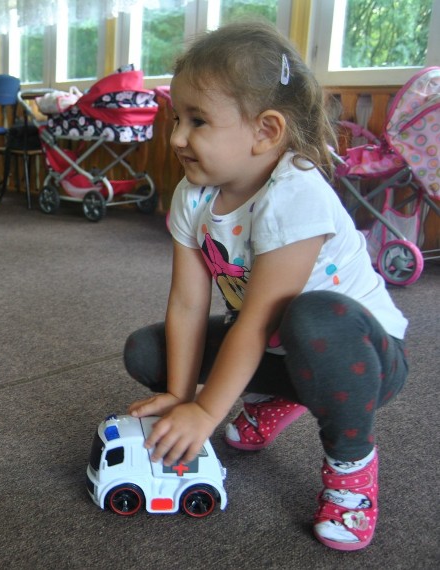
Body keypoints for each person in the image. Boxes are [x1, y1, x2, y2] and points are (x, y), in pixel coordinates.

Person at [123, 21, 407, 551]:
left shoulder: (295, 192)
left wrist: (207, 413)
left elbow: (257, 319)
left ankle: (352, 470)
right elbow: (188, 302)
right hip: (278, 341)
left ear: (266, 131)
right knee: (146, 351)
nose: (177, 137)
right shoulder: (194, 194)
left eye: (198, 121)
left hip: (361, 354)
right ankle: (289, 391)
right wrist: (181, 396)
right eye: (175, 118)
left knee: (311, 317)